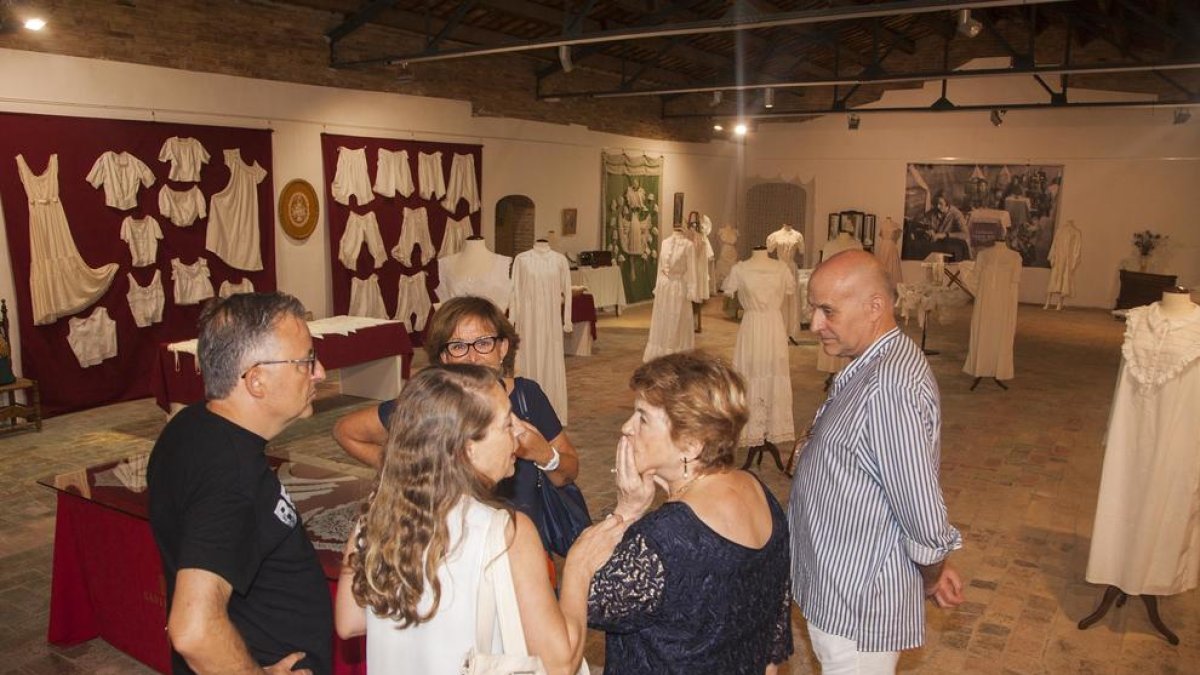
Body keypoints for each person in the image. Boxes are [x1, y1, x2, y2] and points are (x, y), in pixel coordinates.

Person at [335, 364, 620, 672]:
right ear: (467, 448)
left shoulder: (378, 513)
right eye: (506, 424)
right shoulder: (506, 532)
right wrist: (578, 567)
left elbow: (349, 622)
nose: (520, 435)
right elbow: (559, 662)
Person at [790, 250, 963, 673]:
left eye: (827, 310)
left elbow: (920, 508)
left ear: (875, 308)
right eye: (814, 309)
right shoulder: (872, 363)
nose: (815, 324)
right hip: (842, 583)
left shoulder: (890, 386)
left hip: (858, 603)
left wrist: (931, 571)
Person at [147, 293, 332, 674]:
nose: (320, 373)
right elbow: (193, 630)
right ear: (257, 380)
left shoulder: (192, 425)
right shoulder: (232, 476)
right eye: (306, 361)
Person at [589, 351, 793, 674]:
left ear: (691, 444)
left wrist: (626, 512)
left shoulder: (662, 536)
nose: (626, 427)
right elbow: (772, 634)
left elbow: (591, 603)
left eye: (642, 417)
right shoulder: (760, 494)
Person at [333, 295, 581, 553]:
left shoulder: (528, 397)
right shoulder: (430, 407)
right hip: (450, 549)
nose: (473, 357)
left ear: (503, 348)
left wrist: (544, 455)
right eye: (458, 346)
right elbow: (346, 431)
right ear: (444, 357)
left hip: (523, 545)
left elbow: (569, 471)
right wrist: (406, 468)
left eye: (484, 343)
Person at [923, 193, 971, 261]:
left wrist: (944, 235)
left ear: (947, 204)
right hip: (937, 245)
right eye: (936, 203)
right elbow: (925, 223)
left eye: (940, 204)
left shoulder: (956, 214)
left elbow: (965, 234)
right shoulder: (933, 212)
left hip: (952, 246)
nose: (938, 206)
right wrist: (929, 231)